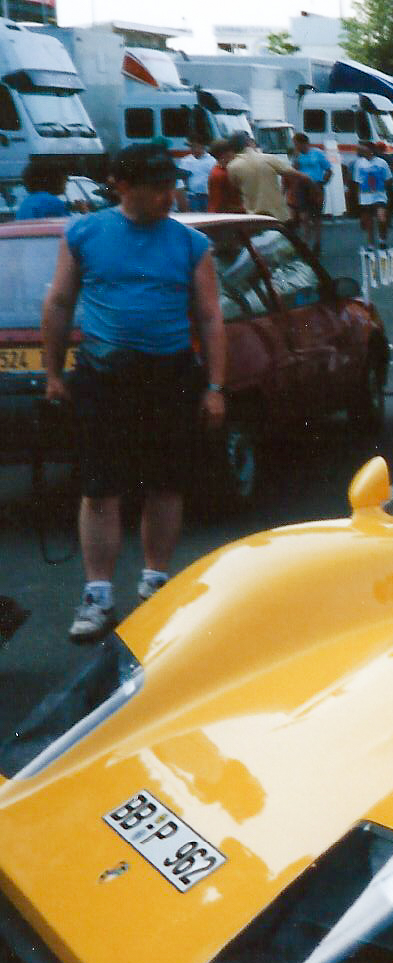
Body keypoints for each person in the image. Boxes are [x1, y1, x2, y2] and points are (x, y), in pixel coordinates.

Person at [39, 142, 227, 644]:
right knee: (101, 487)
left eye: (173, 185)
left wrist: (214, 386)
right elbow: (58, 302)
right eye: (158, 187)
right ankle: (98, 595)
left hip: (170, 377)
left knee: (166, 483)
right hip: (104, 377)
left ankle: (155, 583)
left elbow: (210, 317)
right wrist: (54, 373)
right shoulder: (84, 234)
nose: (170, 195)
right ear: (122, 185)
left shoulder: (190, 245)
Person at [226, 133, 310, 223]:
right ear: (249, 143)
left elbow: (235, 189)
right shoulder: (268, 159)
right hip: (279, 215)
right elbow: (299, 176)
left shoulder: (232, 166)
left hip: (254, 217)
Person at [291, 132, 332, 253]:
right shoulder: (297, 155)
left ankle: (317, 243)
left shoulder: (317, 153)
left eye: (296, 144)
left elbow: (328, 169)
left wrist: (323, 183)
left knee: (316, 216)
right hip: (302, 186)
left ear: (303, 143)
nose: (295, 146)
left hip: (316, 185)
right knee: (303, 215)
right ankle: (305, 241)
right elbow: (294, 170)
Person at [350, 141, 393, 247]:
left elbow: (388, 179)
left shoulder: (381, 163)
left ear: (370, 150)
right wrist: (357, 197)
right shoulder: (359, 163)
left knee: (382, 218)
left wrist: (387, 193)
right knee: (368, 222)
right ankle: (371, 243)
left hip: (380, 195)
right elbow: (357, 181)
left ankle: (382, 240)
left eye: (363, 149)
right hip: (365, 196)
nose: (360, 151)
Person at [176, 137, 215, 212]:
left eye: (195, 147)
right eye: (191, 147)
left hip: (207, 196)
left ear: (202, 147)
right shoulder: (185, 161)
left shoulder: (212, 161)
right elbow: (180, 179)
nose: (192, 149)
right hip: (192, 196)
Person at [207, 137, 244, 213]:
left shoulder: (219, 170)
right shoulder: (220, 174)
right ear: (225, 155)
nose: (235, 155)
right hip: (226, 216)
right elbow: (220, 203)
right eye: (233, 152)